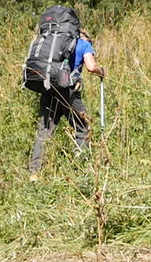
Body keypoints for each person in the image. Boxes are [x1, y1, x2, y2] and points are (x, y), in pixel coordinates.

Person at [29, 28, 102, 178]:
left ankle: (35, 173)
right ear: (87, 37)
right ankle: (83, 170)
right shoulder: (84, 44)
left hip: (48, 89)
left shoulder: (51, 43)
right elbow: (91, 67)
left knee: (44, 131)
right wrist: (102, 71)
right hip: (69, 92)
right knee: (82, 128)